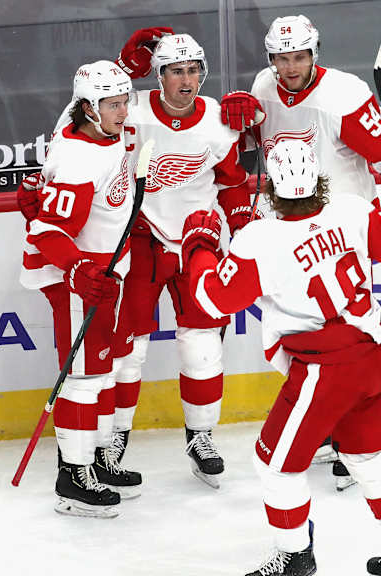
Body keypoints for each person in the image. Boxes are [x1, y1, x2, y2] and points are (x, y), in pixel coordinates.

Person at [180, 139, 381, 576]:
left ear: (272, 188)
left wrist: (200, 245)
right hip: (374, 354)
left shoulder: (259, 239)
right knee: (366, 455)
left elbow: (212, 300)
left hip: (325, 371)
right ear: (319, 179)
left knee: (274, 464)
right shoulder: (352, 210)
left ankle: (294, 556)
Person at [220, 13, 381, 489]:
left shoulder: (345, 95)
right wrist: (231, 123)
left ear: (314, 54)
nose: (290, 67)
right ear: (270, 59)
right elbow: (249, 145)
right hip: (286, 226)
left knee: (343, 330)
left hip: (341, 227)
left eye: (298, 57)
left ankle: (348, 437)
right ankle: (325, 423)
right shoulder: (263, 85)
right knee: (298, 327)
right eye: (282, 58)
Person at [114, 30, 256, 488]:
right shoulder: (129, 110)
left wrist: (244, 226)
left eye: (194, 70)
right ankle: (113, 439)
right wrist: (122, 66)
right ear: (159, 75)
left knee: (201, 346)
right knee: (127, 350)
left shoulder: (218, 119)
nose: (187, 80)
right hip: (142, 237)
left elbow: (233, 181)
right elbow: (81, 126)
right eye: (176, 71)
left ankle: (200, 436)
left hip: (198, 239)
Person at [19, 60, 141, 518]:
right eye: (113, 104)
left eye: (124, 100)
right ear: (89, 108)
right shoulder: (78, 159)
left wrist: (130, 62)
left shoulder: (91, 124)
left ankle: (95, 462)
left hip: (103, 273)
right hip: (77, 281)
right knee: (84, 379)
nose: (122, 111)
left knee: (103, 374)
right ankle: (73, 476)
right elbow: (47, 234)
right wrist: (77, 273)